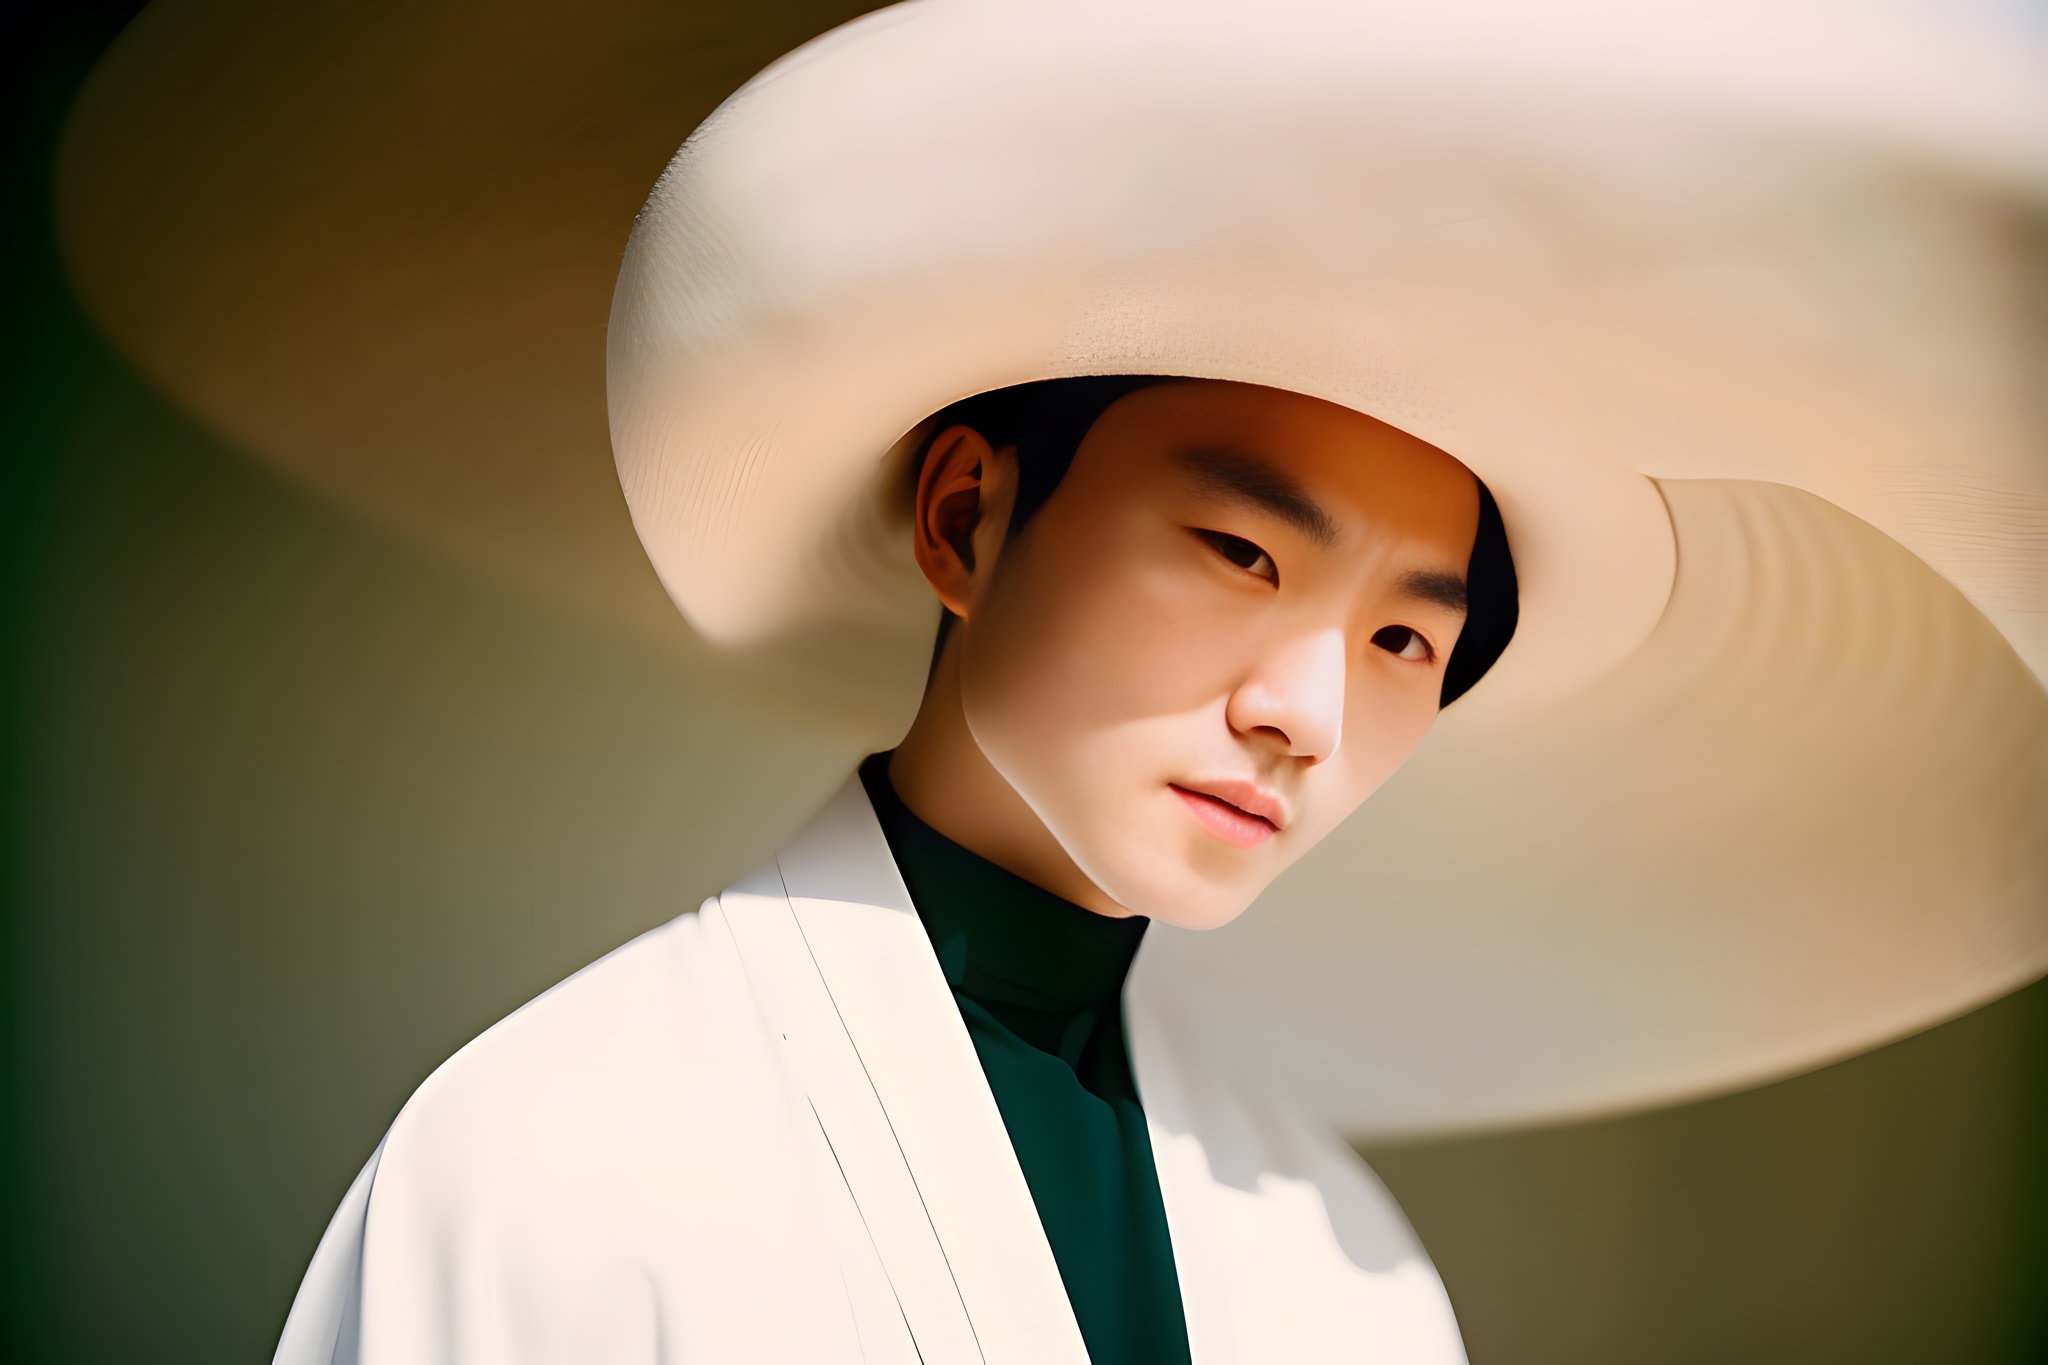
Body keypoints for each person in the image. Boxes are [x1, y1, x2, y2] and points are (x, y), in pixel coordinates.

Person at [52, 1, 2043, 1361]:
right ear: (965, 514)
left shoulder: (1338, 1264)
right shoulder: (554, 1153)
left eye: (1403, 639)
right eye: (1242, 551)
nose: (1306, 708)